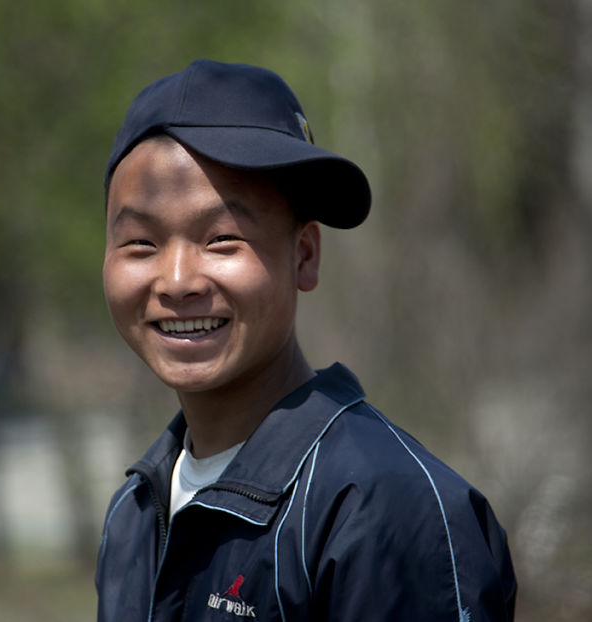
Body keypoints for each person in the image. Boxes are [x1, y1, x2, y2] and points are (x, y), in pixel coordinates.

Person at [95, 59, 516, 622]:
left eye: (222, 239)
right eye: (141, 243)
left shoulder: (381, 511)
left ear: (305, 255)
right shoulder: (135, 514)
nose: (176, 282)